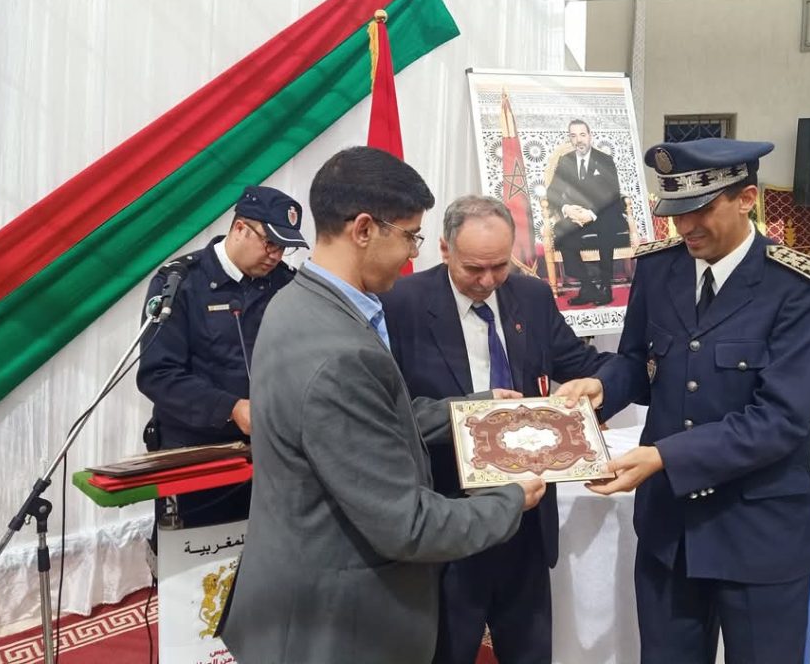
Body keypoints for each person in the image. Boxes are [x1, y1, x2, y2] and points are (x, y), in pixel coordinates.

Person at [220, 148, 546, 664]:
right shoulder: (340, 351)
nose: (412, 254)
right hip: (338, 625)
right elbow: (407, 525)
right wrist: (511, 499)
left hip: (295, 595)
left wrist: (473, 409)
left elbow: (373, 422)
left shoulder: (296, 302)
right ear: (365, 229)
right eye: (411, 236)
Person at [556, 137, 810, 664]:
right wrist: (603, 386)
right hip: (670, 531)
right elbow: (639, 360)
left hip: (758, 531)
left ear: (747, 199)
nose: (685, 227)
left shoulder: (800, 287)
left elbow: (781, 419)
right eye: (675, 212)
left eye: (701, 210)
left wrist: (665, 457)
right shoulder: (659, 268)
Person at [381, 195, 609, 664]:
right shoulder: (401, 303)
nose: (488, 281)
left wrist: (602, 384)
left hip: (527, 522)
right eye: (474, 269)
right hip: (448, 519)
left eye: (500, 266)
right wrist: (474, 412)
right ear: (444, 249)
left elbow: (584, 364)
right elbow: (390, 414)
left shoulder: (531, 296)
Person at [136, 184, 308, 526]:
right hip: (198, 458)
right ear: (240, 228)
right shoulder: (179, 283)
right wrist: (231, 408)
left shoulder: (285, 285)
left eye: (284, 248)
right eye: (270, 243)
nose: (276, 256)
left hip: (271, 457)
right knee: (202, 557)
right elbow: (158, 374)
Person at [546, 119, 628, 307]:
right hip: (578, 216)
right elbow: (552, 192)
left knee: (606, 227)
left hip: (604, 213)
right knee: (561, 231)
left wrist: (591, 213)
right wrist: (567, 209)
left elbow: (613, 193)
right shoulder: (565, 160)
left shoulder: (605, 160)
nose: (579, 140)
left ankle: (605, 286)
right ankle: (587, 285)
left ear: (590, 136)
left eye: (582, 135)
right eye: (573, 136)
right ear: (570, 139)